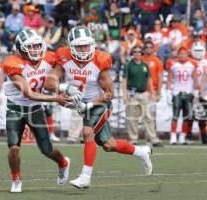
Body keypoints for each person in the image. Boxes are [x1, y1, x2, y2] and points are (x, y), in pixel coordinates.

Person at [44, 26, 152, 189]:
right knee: (109, 145)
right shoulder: (63, 57)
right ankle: (141, 152)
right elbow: (49, 82)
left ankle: (85, 177)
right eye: (79, 46)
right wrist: (65, 88)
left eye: (86, 45)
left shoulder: (99, 60)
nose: (83, 49)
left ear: (92, 44)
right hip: (82, 106)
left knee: (88, 133)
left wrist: (88, 104)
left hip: (100, 104)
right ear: (71, 46)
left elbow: (110, 93)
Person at [2, 29, 70, 193]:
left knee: (47, 149)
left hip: (35, 110)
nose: (36, 50)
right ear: (20, 48)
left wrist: (65, 86)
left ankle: (63, 163)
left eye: (37, 46)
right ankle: (16, 178)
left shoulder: (48, 57)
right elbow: (28, 93)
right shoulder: (13, 63)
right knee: (14, 148)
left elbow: (66, 58)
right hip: (15, 109)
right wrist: (56, 98)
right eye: (30, 47)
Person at [122, 45, 162, 146]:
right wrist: (124, 95)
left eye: (139, 51)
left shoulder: (145, 65)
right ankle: (133, 138)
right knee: (132, 118)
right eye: (135, 51)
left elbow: (149, 79)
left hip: (144, 94)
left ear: (141, 53)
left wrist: (152, 92)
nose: (137, 53)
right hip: (132, 94)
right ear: (132, 53)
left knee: (148, 117)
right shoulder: (128, 65)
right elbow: (124, 80)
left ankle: (153, 138)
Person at [167, 47, 198, 145]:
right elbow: (169, 79)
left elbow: (195, 79)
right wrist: (168, 91)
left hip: (188, 93)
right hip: (177, 92)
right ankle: (173, 136)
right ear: (178, 55)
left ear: (187, 55)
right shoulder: (173, 65)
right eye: (181, 54)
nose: (183, 56)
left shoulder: (192, 65)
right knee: (175, 116)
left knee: (187, 117)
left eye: (184, 54)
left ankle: (183, 136)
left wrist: (196, 91)